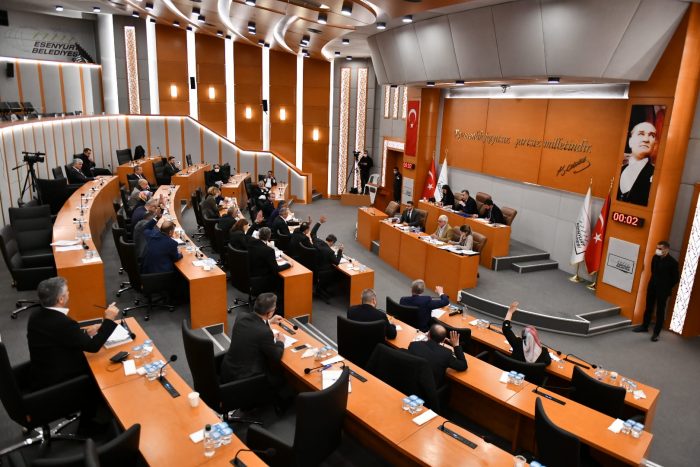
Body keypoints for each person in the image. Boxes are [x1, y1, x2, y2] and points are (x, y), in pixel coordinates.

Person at [27, 277, 119, 389]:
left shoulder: (35, 315)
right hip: (61, 382)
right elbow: (93, 347)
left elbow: (58, 335)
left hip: (42, 372)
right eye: (67, 291)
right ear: (61, 299)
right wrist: (109, 319)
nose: (69, 293)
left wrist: (85, 333)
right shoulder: (63, 322)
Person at [219, 294, 287, 400]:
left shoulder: (241, 317)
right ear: (269, 313)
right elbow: (276, 356)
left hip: (228, 371)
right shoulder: (264, 332)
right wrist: (280, 341)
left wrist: (269, 321)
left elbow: (254, 327)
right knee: (280, 377)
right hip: (245, 380)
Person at [634, 240, 679, 341]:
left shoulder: (673, 263)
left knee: (660, 311)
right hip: (652, 287)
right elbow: (652, 270)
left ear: (666, 249)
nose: (657, 250)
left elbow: (675, 279)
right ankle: (644, 326)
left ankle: (656, 333)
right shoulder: (655, 257)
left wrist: (665, 286)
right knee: (648, 307)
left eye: (660, 248)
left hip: (663, 291)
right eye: (657, 248)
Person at [248, 227, 291, 312]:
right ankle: (280, 307)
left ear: (259, 235)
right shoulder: (268, 250)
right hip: (262, 280)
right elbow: (276, 269)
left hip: (251, 275)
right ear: (269, 236)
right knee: (282, 280)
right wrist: (288, 264)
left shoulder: (251, 243)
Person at [617, 121, 657, 206]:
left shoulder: (656, 174)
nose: (646, 140)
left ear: (654, 145)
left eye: (652, 135)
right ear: (630, 141)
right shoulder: (618, 170)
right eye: (641, 134)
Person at [311, 217, 343, 300]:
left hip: (314, 267)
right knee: (337, 272)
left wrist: (319, 222)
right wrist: (340, 251)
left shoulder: (317, 241)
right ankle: (326, 288)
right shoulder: (330, 251)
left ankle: (320, 288)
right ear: (332, 242)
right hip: (323, 272)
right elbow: (337, 262)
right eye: (333, 244)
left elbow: (312, 233)